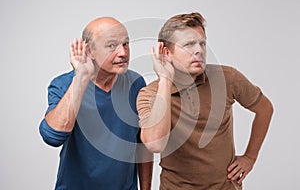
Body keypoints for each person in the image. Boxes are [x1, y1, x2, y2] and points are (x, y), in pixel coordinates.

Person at [136, 12, 273, 190]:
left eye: (202, 43)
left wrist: (250, 157)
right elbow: (155, 144)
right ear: (166, 52)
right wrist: (165, 81)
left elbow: (265, 109)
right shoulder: (150, 94)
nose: (199, 50)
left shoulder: (227, 78)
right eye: (189, 44)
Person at [39, 17, 152, 190]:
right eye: (111, 46)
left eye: (126, 44)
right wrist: (81, 78)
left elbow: (142, 145)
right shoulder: (63, 84)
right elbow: (52, 137)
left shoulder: (136, 83)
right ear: (89, 51)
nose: (123, 52)